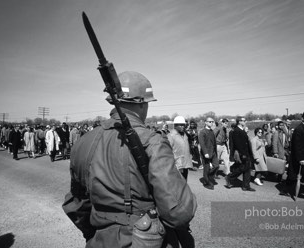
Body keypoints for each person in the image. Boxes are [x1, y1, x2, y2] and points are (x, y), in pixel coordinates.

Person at [62, 71, 197, 248]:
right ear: (142, 103)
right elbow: (178, 212)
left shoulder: (83, 142)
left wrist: (96, 234)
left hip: (99, 241)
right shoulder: (153, 141)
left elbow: (76, 205)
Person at [225, 117, 255, 191]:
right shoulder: (237, 131)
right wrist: (242, 154)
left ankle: (245, 186)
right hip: (243, 153)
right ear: (239, 122)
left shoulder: (242, 130)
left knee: (247, 169)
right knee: (243, 167)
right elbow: (238, 144)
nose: (245, 121)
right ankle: (230, 177)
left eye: (245, 120)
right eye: (243, 120)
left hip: (246, 153)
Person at [168, 116, 193, 181]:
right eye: (180, 125)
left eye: (183, 125)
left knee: (184, 182)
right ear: (175, 125)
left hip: (185, 164)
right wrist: (176, 163)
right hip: (177, 165)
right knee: (177, 184)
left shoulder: (185, 135)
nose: (183, 126)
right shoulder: (171, 136)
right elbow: (168, 151)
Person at [198, 117, 219, 190]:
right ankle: (207, 183)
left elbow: (214, 143)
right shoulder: (202, 132)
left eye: (212, 122)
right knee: (206, 168)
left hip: (213, 152)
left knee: (216, 165)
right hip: (206, 153)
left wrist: (215, 152)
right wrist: (205, 153)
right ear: (205, 122)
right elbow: (202, 143)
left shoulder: (211, 131)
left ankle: (208, 178)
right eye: (209, 122)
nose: (211, 123)